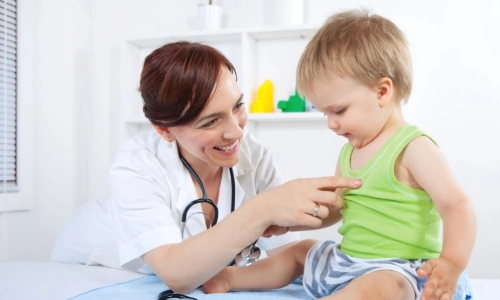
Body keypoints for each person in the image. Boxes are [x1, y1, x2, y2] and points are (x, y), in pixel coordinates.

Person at [203, 9, 476, 300]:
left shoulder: (413, 147)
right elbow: (338, 208)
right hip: (348, 262)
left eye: (339, 111)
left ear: (382, 92)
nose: (331, 124)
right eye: (325, 113)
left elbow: (456, 205)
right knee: (301, 251)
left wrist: (452, 262)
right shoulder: (350, 152)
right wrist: (290, 222)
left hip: (399, 269)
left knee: (386, 288)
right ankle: (233, 277)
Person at [50, 41, 362, 294]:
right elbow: (176, 274)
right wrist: (262, 210)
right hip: (94, 263)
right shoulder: (137, 166)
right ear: (164, 129)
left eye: (237, 106)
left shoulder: (254, 154)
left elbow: (284, 251)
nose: (236, 132)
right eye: (211, 121)